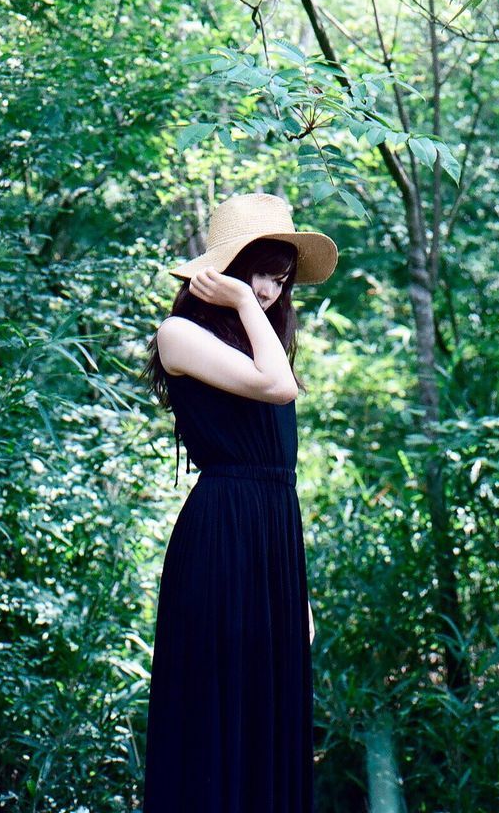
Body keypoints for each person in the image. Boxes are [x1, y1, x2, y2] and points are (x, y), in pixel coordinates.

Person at [141, 191, 339, 813]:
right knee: (215, 707)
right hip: (221, 537)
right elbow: (276, 388)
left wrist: (296, 588)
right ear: (221, 271)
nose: (270, 292)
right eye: (256, 273)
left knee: (268, 710)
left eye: (279, 279)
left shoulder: (262, 343)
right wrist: (236, 298)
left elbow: (279, 466)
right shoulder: (178, 335)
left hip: (272, 541)